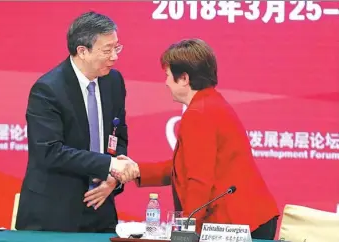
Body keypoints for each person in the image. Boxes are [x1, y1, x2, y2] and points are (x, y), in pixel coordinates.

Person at [115, 39, 280, 240]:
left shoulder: (199, 113)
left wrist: (187, 231)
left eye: (167, 76)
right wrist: (138, 170)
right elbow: (187, 166)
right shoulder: (209, 102)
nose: (166, 83)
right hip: (249, 218)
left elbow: (199, 180)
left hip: (238, 221)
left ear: (184, 78)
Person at [15, 11, 137, 233]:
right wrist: (108, 165)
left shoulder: (113, 81)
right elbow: (50, 151)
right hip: (54, 212)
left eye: (116, 48)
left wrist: (113, 178)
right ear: (82, 51)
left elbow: (118, 134)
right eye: (107, 50)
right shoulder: (48, 90)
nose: (114, 56)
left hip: (101, 209)